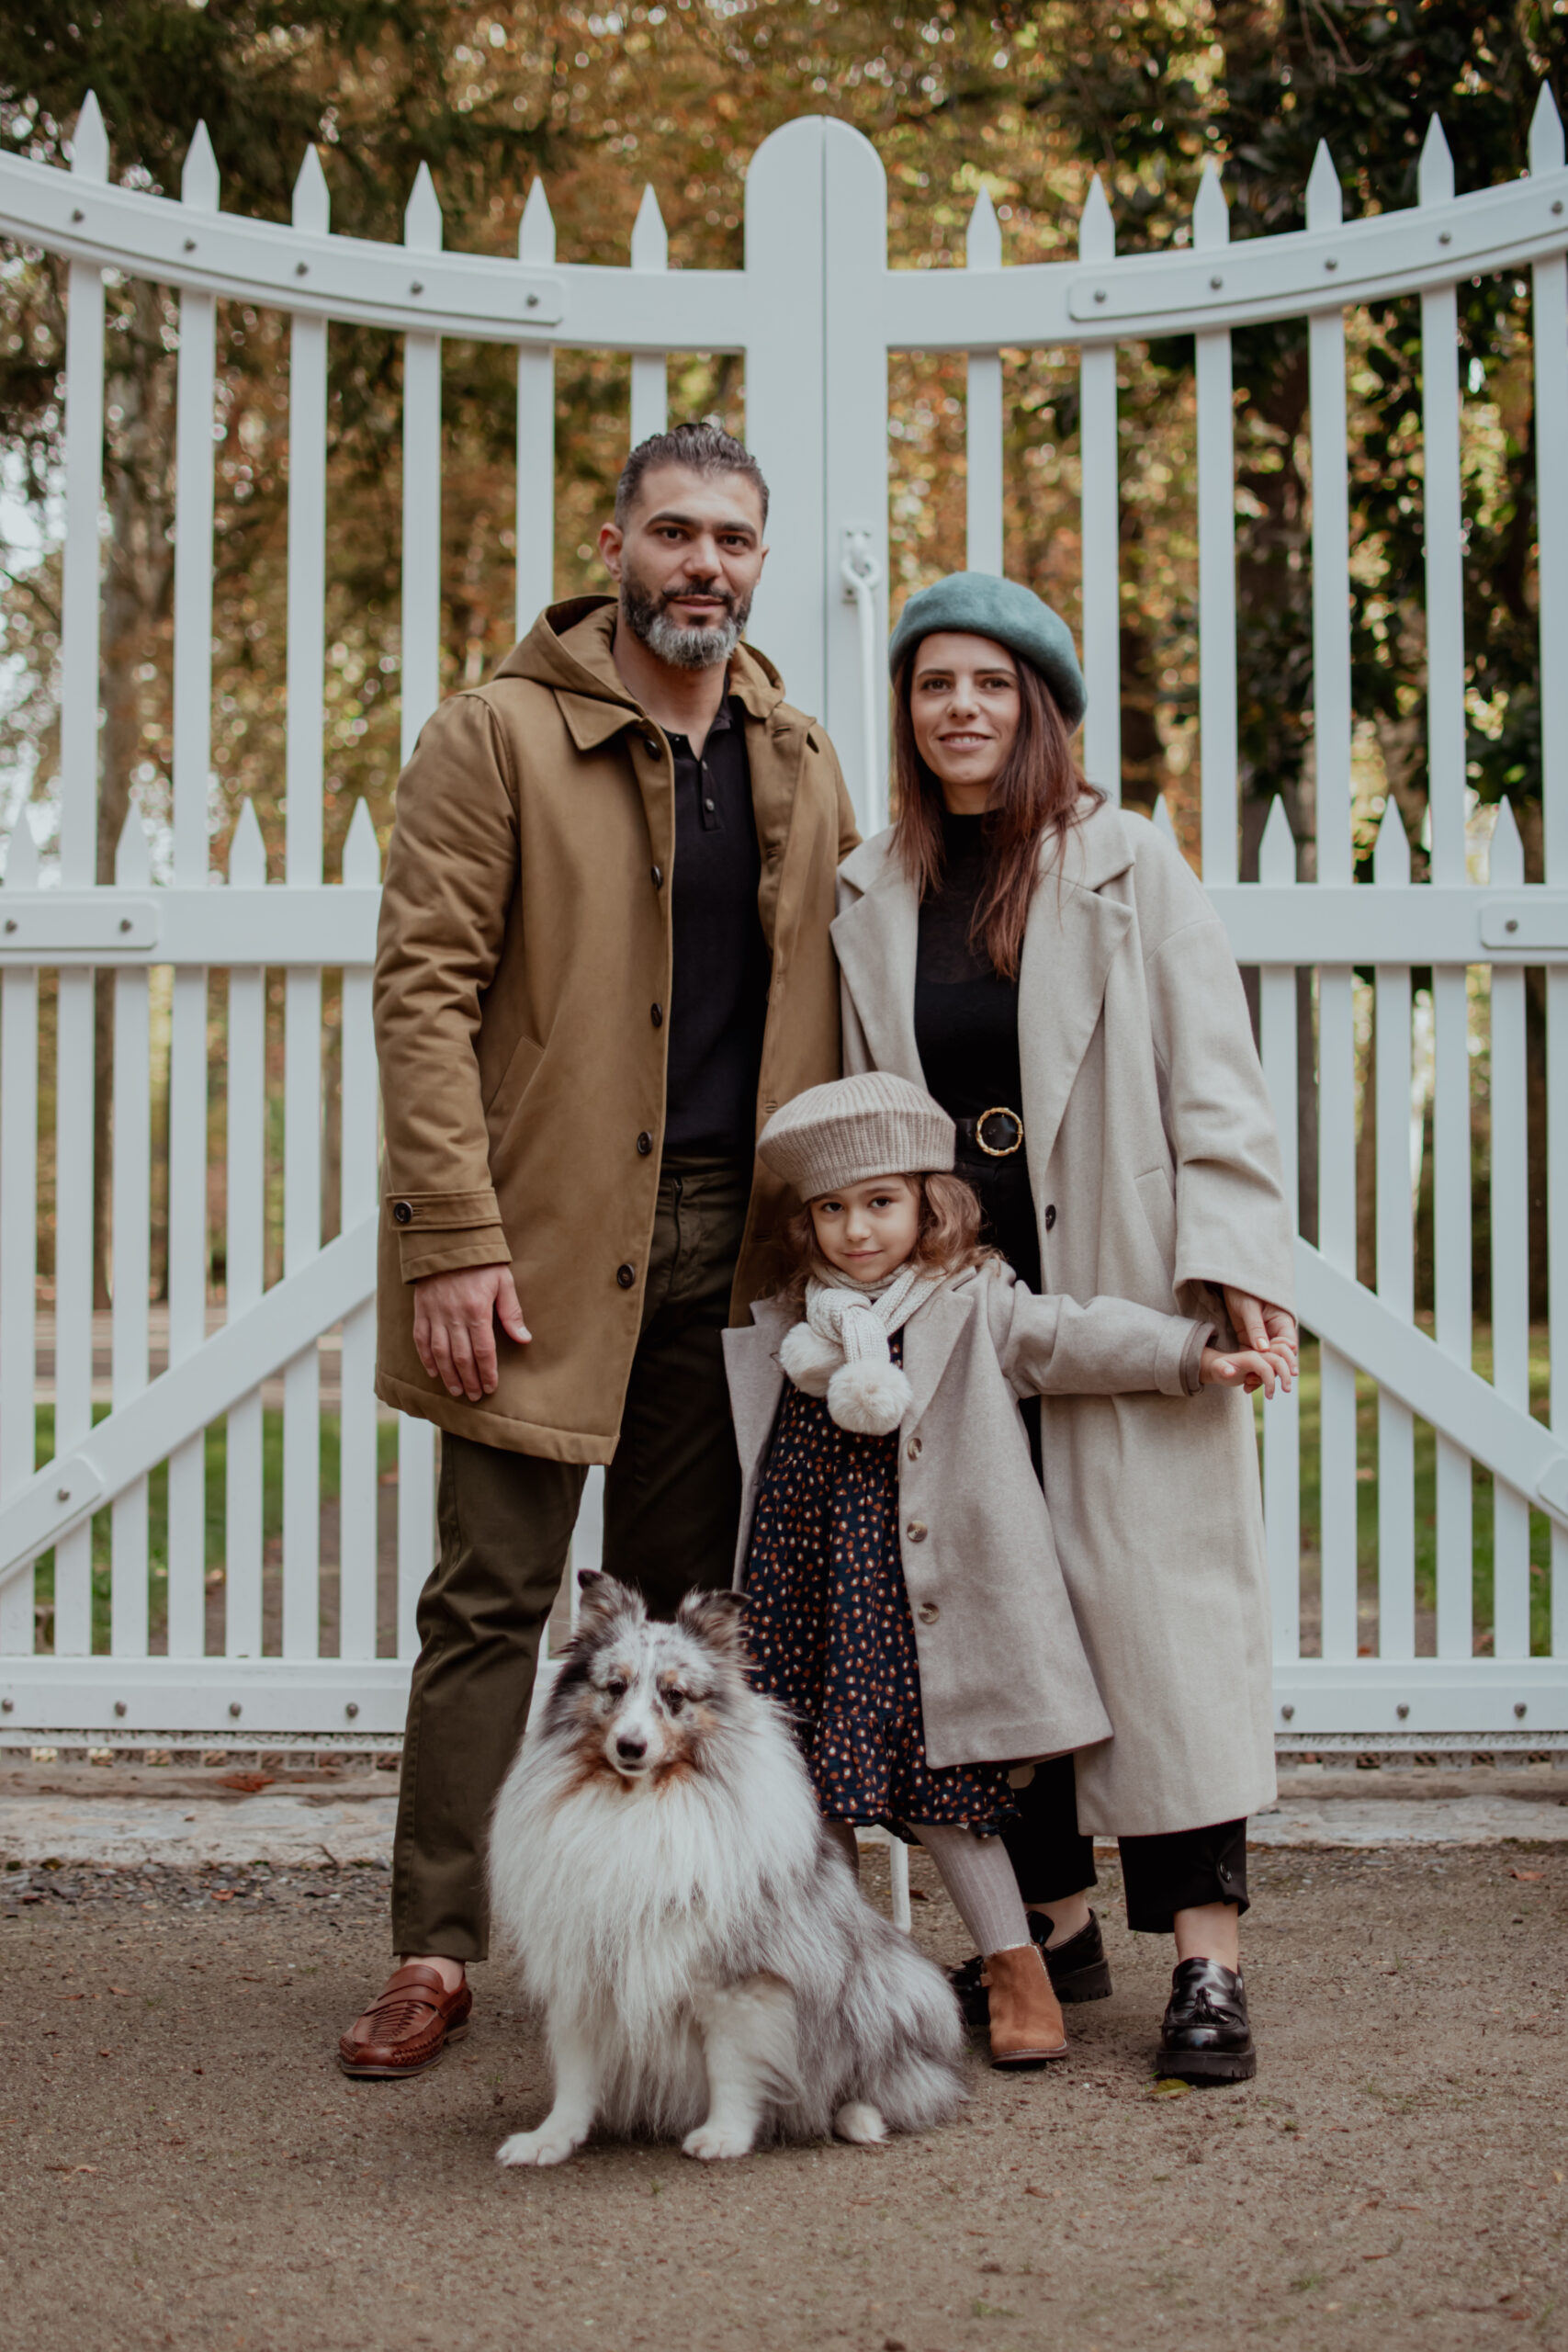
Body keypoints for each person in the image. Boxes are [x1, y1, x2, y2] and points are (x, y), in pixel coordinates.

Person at [338, 424, 859, 2078]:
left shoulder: (796, 753)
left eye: (732, 539)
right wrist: (449, 1237)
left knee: (677, 1627)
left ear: (759, 562)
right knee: (491, 1599)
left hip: (727, 1249)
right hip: (539, 1236)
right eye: (674, 533)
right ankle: (436, 1948)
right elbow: (421, 991)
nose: (703, 563)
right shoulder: (495, 736)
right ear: (616, 544)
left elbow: (845, 992)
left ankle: (659, 1937)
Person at [830, 574, 1298, 2085]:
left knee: (1158, 1629)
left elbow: (1215, 1085)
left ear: (1041, 706)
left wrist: (1231, 1261)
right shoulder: (872, 888)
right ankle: (1051, 1929)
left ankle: (1206, 1968)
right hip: (957, 1317)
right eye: (929, 684)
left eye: (988, 682)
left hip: (1122, 1277)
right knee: (986, 1610)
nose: (956, 707)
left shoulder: (1125, 863)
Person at [723, 1072, 1293, 2073]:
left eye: (881, 1202)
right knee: (801, 1792)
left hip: (918, 1604)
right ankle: (830, 1984)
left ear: (928, 1202)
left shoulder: (971, 1300)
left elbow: (1071, 1336)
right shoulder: (795, 1325)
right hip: (808, 1589)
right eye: (833, 1210)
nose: (857, 1231)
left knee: (949, 1786)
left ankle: (1018, 1966)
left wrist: (1195, 1354)